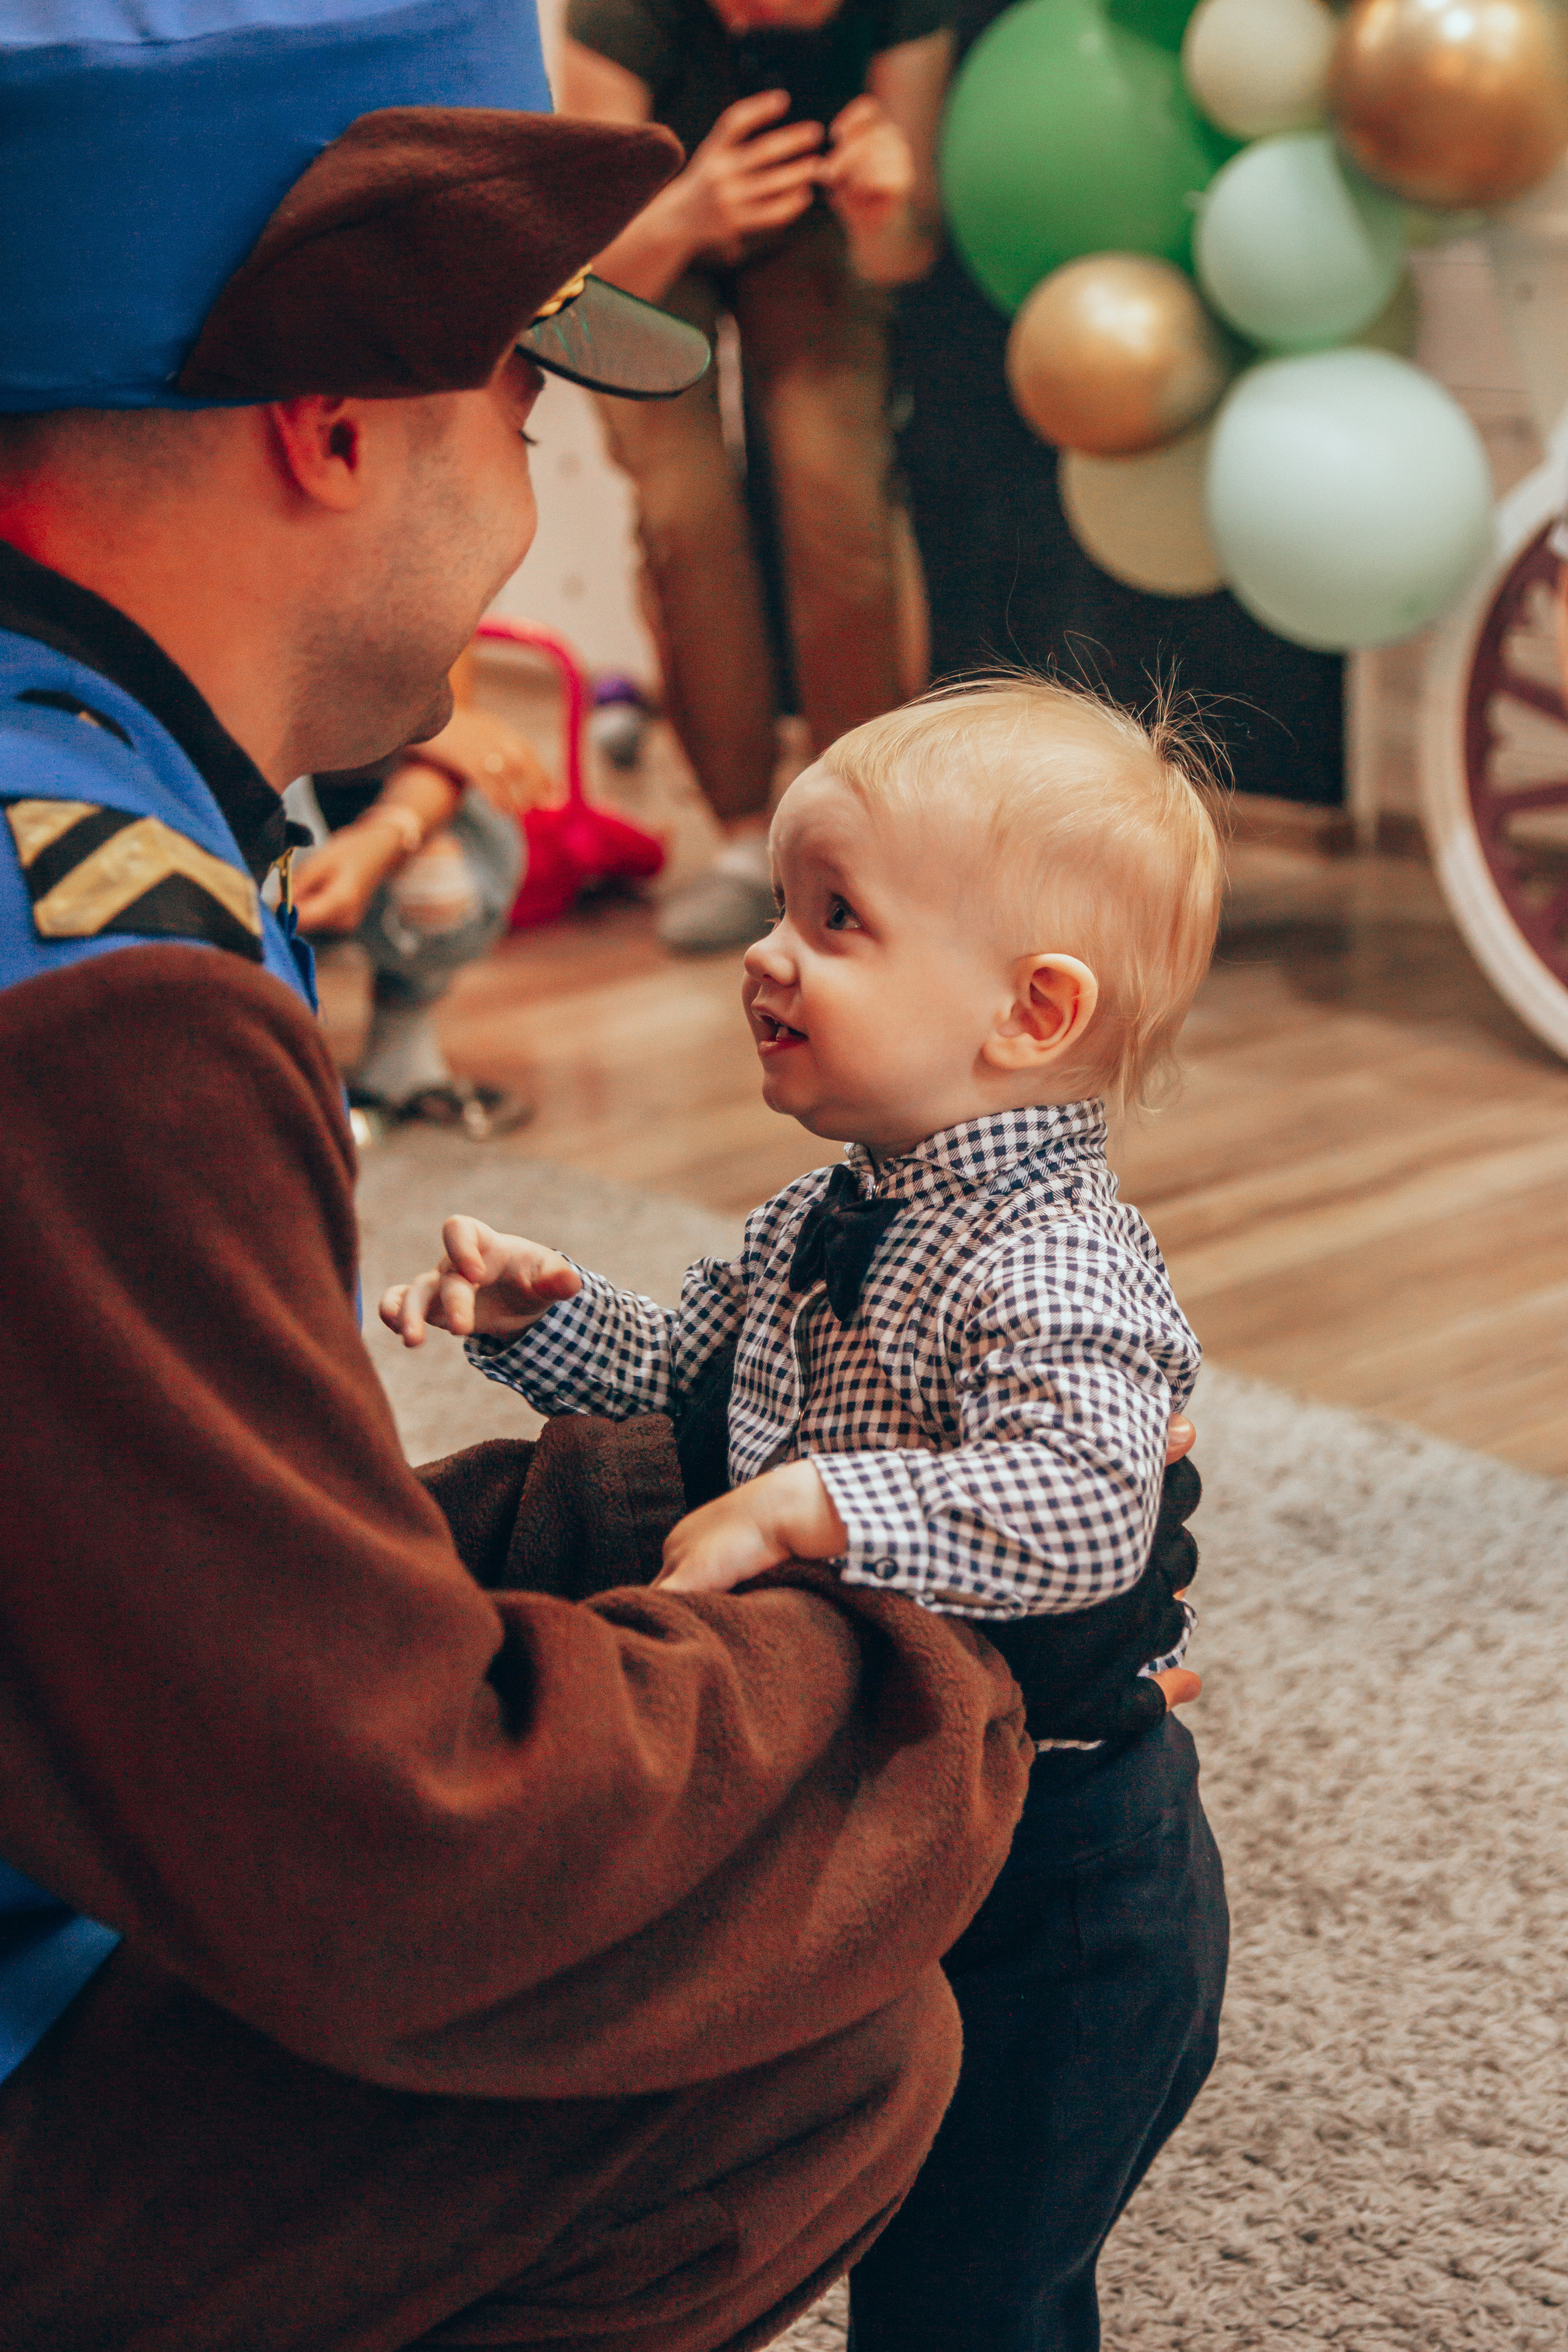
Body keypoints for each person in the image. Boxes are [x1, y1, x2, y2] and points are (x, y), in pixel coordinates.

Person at [0, 7, 1044, 2345]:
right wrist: (931, 1680)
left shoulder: (76, 804)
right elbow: (378, 1854)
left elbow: (114, 1578)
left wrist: (671, 1488)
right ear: (332, 414)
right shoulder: (95, 1002)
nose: (527, 476)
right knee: (802, 2058)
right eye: (521, 393)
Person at [384, 676, 1232, 2351]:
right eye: (781, 907)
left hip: (1059, 1880)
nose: (767, 955)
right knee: (834, 2168)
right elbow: (685, 1389)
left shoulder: (1053, 1261)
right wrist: (544, 1320)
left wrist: (815, 1507)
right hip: (884, 1795)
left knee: (969, 2292)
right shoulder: (818, 1213)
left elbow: (1087, 1513)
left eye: (836, 920)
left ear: (1030, 1012)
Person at [559, 0, 952, 952]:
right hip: (645, 238)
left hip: (815, 227)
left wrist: (885, 212)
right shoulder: (619, 14)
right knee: (683, 510)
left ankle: (860, 833)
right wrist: (690, 211)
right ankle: (741, 839)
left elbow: (908, 252)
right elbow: (576, 290)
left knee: (837, 492)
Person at [293, 692, 551, 1137]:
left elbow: (456, 745)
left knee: (443, 880)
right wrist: (399, 721)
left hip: (366, 795)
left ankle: (401, 1040)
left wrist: (390, 832)